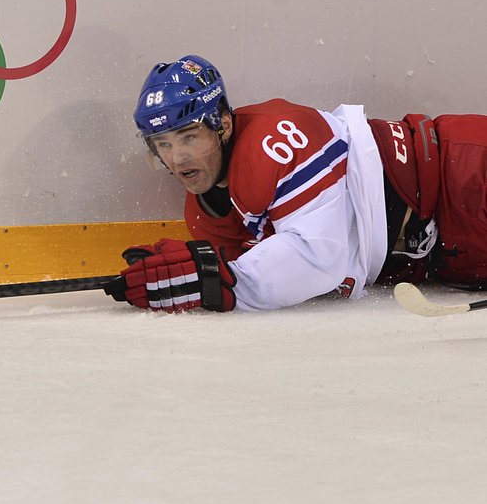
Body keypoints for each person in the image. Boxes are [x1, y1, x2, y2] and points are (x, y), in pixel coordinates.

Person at [105, 54, 487, 312]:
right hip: (450, 254)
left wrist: (219, 279)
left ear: (222, 125)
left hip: (465, 174)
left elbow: (320, 254)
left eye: (189, 137)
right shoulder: (207, 215)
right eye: (163, 144)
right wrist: (205, 269)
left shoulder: (272, 139)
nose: (176, 158)